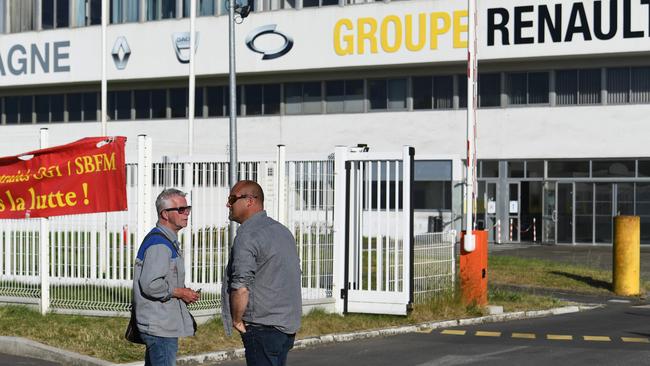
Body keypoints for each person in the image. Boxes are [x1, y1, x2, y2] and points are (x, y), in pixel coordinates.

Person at [221, 180, 302, 366]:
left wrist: (236, 319)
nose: (228, 204)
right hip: (285, 326)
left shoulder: (248, 235)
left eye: (232, 199)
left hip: (262, 327)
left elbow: (241, 285)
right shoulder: (282, 231)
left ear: (250, 201)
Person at [133, 188, 201, 366]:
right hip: (159, 325)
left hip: (162, 323)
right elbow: (150, 284)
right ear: (164, 214)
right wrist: (180, 292)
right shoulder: (159, 244)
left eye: (187, 209)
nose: (186, 213)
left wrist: (182, 292)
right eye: (181, 210)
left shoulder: (166, 240)